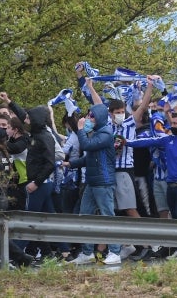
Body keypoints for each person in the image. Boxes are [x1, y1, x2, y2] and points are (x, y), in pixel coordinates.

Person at [65, 103, 123, 265]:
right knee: (85, 215)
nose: (89, 119)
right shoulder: (96, 133)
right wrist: (71, 164)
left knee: (107, 217)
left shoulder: (105, 133)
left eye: (92, 116)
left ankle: (115, 252)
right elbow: (89, 157)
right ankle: (87, 252)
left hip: (103, 182)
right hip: (92, 182)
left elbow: (86, 145)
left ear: (100, 118)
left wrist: (81, 129)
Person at [125, 112, 177, 220]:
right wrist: (127, 142)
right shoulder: (167, 140)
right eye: (171, 123)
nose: (172, 126)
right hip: (170, 183)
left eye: (175, 123)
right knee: (172, 213)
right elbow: (147, 141)